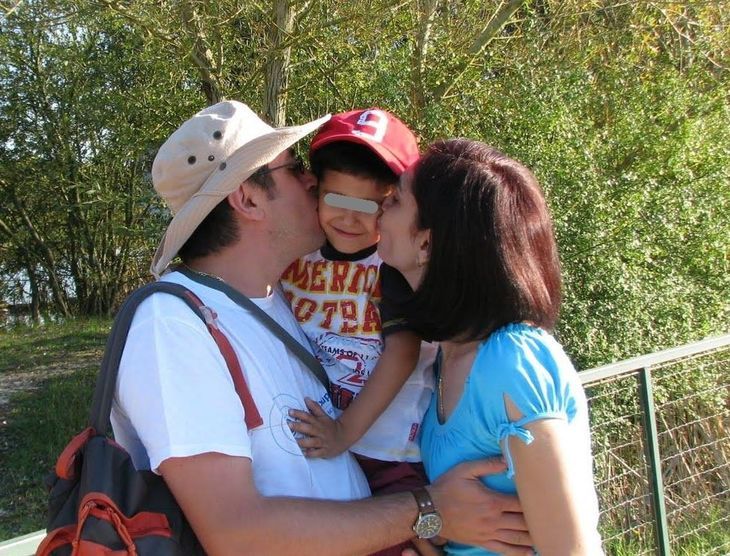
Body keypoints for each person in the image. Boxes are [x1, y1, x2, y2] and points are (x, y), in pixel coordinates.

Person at [110, 101, 534, 556]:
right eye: (294, 169)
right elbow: (235, 535)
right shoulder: (172, 325)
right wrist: (428, 509)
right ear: (248, 199)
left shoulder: (279, 299)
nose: (313, 180)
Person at [377, 138, 604, 556]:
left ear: (426, 244)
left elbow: (573, 550)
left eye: (395, 200)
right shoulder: (448, 355)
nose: (379, 206)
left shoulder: (511, 362)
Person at [280, 108, 436, 555]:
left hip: (385, 454)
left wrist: (343, 432)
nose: (350, 219)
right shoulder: (296, 260)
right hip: (318, 445)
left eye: (371, 206)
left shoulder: (391, 267)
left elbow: (403, 353)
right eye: (337, 200)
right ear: (315, 190)